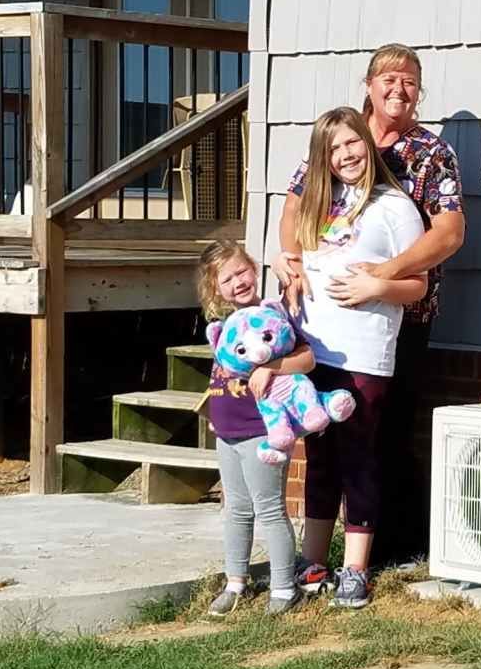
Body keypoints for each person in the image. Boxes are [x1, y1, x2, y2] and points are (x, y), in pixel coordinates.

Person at [272, 44, 465, 568]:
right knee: (325, 437)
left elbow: (448, 233)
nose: (399, 89)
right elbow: (296, 203)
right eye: (389, 79)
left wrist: (382, 276)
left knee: (383, 435)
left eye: (410, 81)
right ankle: (320, 554)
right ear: (369, 85)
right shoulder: (340, 136)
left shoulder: (430, 154)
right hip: (323, 329)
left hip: (398, 319)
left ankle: (383, 550)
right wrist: (288, 256)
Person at [288, 106, 426, 608]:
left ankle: (356, 569)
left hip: (363, 354)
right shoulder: (319, 206)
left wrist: (377, 284)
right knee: (319, 455)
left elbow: (418, 285)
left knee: (358, 456)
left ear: (368, 145)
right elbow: (299, 258)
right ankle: (313, 561)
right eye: (334, 149)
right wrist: (289, 266)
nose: (346, 155)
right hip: (312, 351)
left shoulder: (395, 208)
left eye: (352, 143)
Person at [196, 241, 310, 617]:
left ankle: (282, 587)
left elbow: (307, 357)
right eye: (226, 279)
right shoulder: (224, 327)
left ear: (254, 267)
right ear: (216, 290)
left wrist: (272, 368)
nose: (237, 282)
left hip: (263, 430)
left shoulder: (274, 314)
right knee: (236, 510)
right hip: (227, 431)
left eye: (241, 271)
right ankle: (235, 583)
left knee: (270, 509)